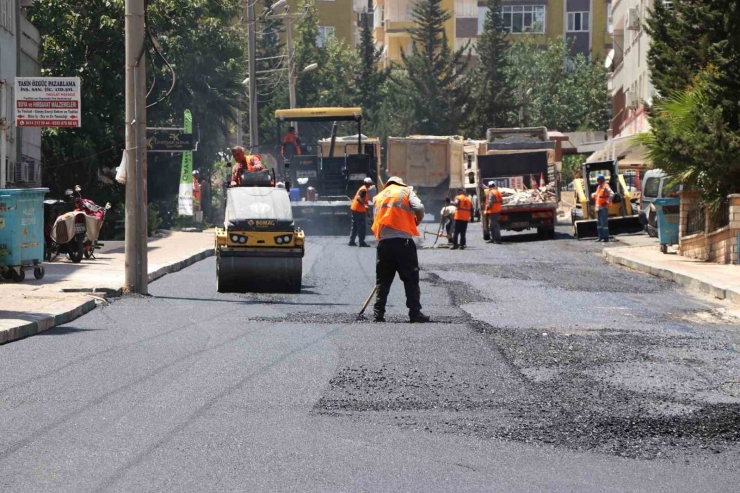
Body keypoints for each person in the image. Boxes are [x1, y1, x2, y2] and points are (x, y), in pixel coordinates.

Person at [371, 176, 429, 324]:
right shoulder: (406, 191)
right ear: (400, 183)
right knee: (411, 279)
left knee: (383, 280)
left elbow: (375, 220)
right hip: (403, 242)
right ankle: (415, 313)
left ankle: (378, 314)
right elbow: (419, 208)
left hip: (384, 244)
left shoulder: (378, 197)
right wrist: (418, 220)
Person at [349, 177, 372, 247]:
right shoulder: (364, 189)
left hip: (355, 209)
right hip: (358, 211)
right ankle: (361, 242)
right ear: (367, 184)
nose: (370, 185)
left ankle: (351, 241)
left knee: (355, 226)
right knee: (361, 226)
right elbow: (359, 198)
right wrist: (364, 205)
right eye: (369, 184)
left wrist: (367, 212)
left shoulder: (364, 188)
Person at [591, 173, 614, 242]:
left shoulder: (605, 186)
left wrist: (607, 202)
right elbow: (598, 195)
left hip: (603, 208)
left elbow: (612, 194)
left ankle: (605, 237)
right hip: (599, 207)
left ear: (601, 180)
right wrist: (593, 194)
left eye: (598, 180)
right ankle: (600, 237)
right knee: (599, 223)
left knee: (604, 223)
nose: (597, 181)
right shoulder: (599, 187)